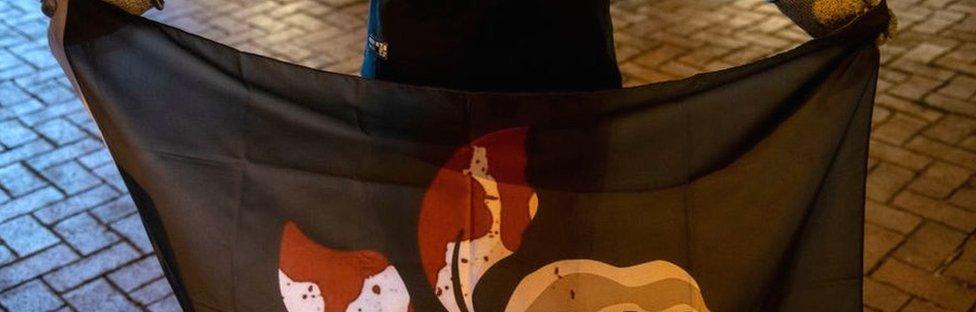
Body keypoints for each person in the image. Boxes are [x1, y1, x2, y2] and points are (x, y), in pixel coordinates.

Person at [83, 0, 893, 91]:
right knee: (427, 299)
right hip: (414, 89)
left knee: (558, 299)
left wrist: (827, 5)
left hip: (568, 85)